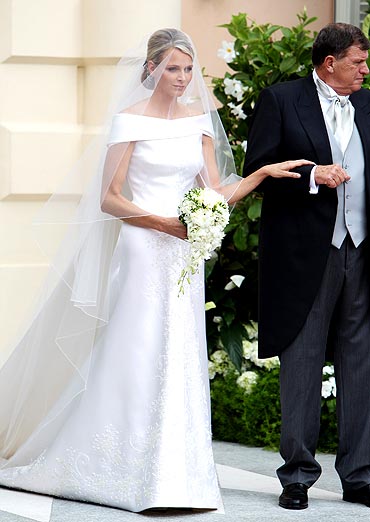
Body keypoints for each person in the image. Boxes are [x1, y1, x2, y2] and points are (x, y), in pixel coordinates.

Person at [0, 28, 309, 513]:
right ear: (151, 69)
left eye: (188, 69)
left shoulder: (199, 123)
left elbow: (215, 191)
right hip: (145, 246)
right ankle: (117, 466)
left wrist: (261, 175)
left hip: (182, 254)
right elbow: (110, 198)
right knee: (138, 346)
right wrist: (165, 223)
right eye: (172, 68)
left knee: (180, 351)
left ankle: (175, 479)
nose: (182, 78)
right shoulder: (129, 120)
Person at [243, 22, 370, 510]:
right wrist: (313, 176)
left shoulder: (368, 105)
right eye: (357, 62)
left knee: (360, 363)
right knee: (302, 362)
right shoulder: (281, 100)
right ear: (328, 63)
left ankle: (358, 475)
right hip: (304, 254)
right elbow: (261, 173)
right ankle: (296, 475)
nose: (365, 69)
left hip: (360, 249)